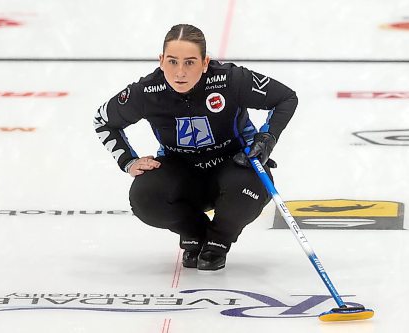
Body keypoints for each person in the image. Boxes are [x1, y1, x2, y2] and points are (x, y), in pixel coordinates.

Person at [94, 24, 297, 271]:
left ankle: (218, 241)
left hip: (235, 167)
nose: (180, 72)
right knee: (145, 198)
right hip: (183, 175)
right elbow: (103, 121)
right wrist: (128, 161)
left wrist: (266, 139)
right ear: (161, 61)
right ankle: (195, 233)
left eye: (190, 62)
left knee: (246, 192)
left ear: (204, 62)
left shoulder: (230, 79)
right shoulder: (146, 91)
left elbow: (286, 98)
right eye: (172, 61)